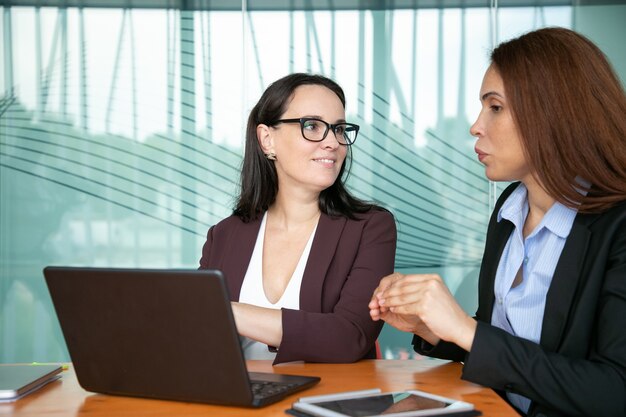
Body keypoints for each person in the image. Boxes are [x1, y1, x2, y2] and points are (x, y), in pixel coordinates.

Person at [369, 27, 626, 417]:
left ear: (553, 113)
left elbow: (613, 392)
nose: (476, 125)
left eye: (495, 107)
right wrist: (431, 327)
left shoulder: (617, 227)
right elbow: (505, 349)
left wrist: (465, 329)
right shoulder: (510, 208)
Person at [200, 73, 397, 365]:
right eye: (313, 126)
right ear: (267, 139)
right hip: (238, 402)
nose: (333, 142)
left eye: (339, 129)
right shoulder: (224, 235)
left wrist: (228, 312)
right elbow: (197, 331)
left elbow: (350, 337)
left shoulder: (370, 228)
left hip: (330, 403)